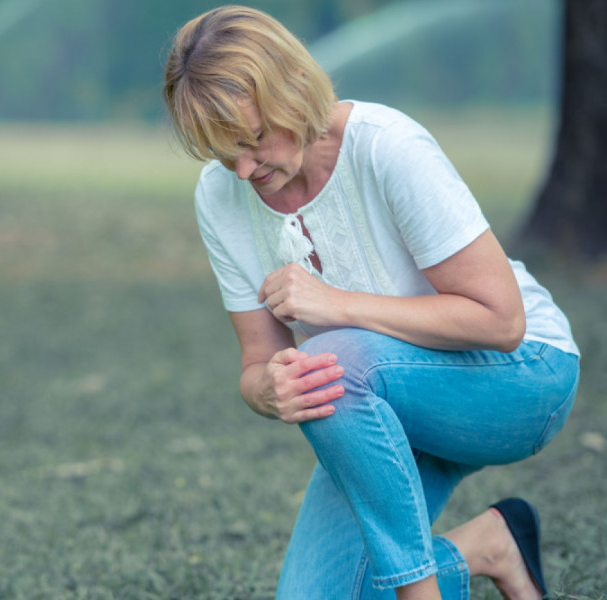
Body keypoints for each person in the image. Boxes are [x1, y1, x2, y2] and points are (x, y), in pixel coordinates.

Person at [162, 6, 580, 600]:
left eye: (253, 140)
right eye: (223, 152)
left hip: (525, 376)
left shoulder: (387, 146)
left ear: (293, 90)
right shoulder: (219, 195)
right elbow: (256, 366)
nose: (244, 168)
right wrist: (269, 391)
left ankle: (418, 593)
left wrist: (338, 304)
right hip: (380, 402)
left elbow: (502, 321)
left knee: (333, 359)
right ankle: (489, 545)